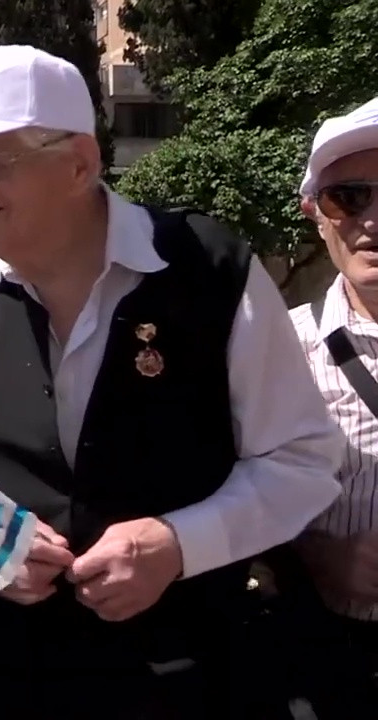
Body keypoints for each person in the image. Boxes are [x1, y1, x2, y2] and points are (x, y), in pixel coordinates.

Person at [0, 45, 344, 717]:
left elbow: (304, 460)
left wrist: (179, 544)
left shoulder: (211, 272)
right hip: (11, 679)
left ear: (78, 163)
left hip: (192, 677)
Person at [289, 96, 378, 715]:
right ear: (316, 214)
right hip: (341, 659)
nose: (373, 220)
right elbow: (227, 492)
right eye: (349, 197)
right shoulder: (278, 348)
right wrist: (318, 555)